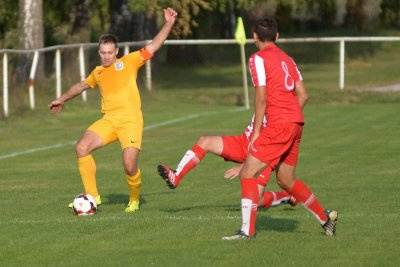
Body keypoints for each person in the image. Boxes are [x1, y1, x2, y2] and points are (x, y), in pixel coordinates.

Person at [49, 8, 178, 213]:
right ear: (99, 52)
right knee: (82, 147)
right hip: (109, 121)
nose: (106, 56)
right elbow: (82, 85)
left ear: (116, 51)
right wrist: (61, 99)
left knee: (129, 165)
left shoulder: (130, 61)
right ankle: (93, 197)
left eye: (110, 52)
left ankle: (134, 200)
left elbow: (154, 45)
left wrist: (169, 23)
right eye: (103, 52)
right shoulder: (98, 72)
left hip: (131, 121)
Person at [222, 18, 338, 240]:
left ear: (254, 37)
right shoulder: (288, 59)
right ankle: (325, 218)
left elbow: (261, 97)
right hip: (296, 123)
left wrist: (257, 132)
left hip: (279, 125)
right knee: (285, 180)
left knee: (247, 172)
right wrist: (290, 117)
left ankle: (247, 231)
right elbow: (303, 95)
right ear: (277, 36)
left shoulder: (257, 58)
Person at [157, 114, 298, 209]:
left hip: (265, 156)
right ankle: (176, 176)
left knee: (256, 201)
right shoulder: (263, 93)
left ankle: (285, 196)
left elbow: (273, 144)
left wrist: (244, 166)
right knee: (204, 141)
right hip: (244, 143)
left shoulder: (281, 108)